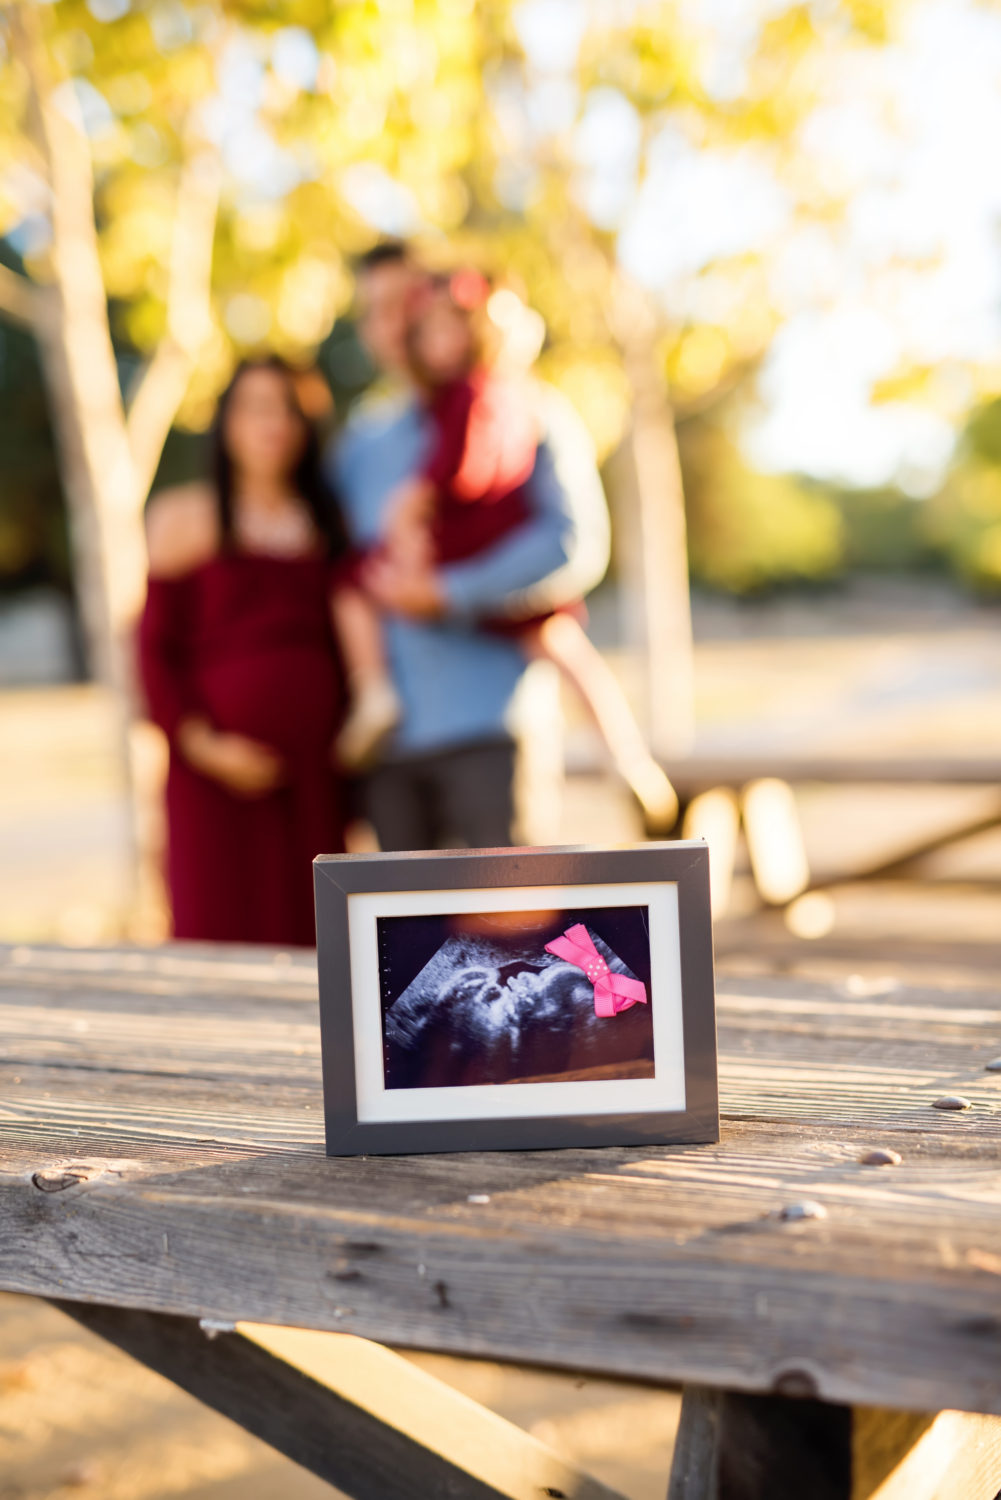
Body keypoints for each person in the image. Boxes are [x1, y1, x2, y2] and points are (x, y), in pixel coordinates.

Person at [331, 244, 678, 840]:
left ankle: (628, 762)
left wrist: (448, 593)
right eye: (372, 312)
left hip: (494, 734)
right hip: (393, 753)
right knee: (405, 933)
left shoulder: (526, 411)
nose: (388, 326)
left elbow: (573, 547)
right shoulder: (359, 446)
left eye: (401, 305)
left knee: (510, 926)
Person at [138, 356, 347, 945]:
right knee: (217, 933)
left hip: (313, 776)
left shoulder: (328, 524)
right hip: (211, 775)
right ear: (227, 422)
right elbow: (154, 651)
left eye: (289, 408)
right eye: (256, 406)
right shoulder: (181, 517)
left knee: (314, 943)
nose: (273, 422)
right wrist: (204, 743)